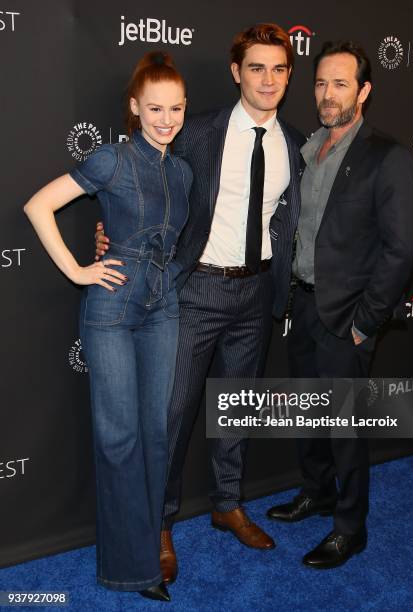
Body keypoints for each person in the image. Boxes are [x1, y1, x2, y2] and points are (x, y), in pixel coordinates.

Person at [96, 23, 305, 584]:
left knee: (235, 407)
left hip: (257, 291)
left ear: (289, 75)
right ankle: (158, 525)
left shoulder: (295, 144)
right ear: (237, 73)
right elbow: (147, 186)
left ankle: (227, 504)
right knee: (171, 416)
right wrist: (113, 235)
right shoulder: (199, 132)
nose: (268, 79)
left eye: (279, 68)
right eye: (256, 68)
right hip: (194, 291)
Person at [24, 52, 192, 602]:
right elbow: (39, 205)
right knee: (119, 439)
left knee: (157, 436)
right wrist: (78, 268)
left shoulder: (183, 170)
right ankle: (131, 570)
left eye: (176, 108)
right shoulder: (111, 159)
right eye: (154, 108)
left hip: (163, 310)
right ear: (134, 108)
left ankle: (148, 550)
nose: (165, 119)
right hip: (113, 313)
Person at [266, 40, 413, 569]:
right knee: (308, 417)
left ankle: (350, 528)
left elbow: (401, 250)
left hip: (346, 317)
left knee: (345, 428)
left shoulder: (386, 156)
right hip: (303, 306)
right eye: (320, 83)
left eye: (340, 84)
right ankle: (318, 491)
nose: (327, 95)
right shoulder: (311, 147)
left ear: (364, 91)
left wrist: (365, 323)